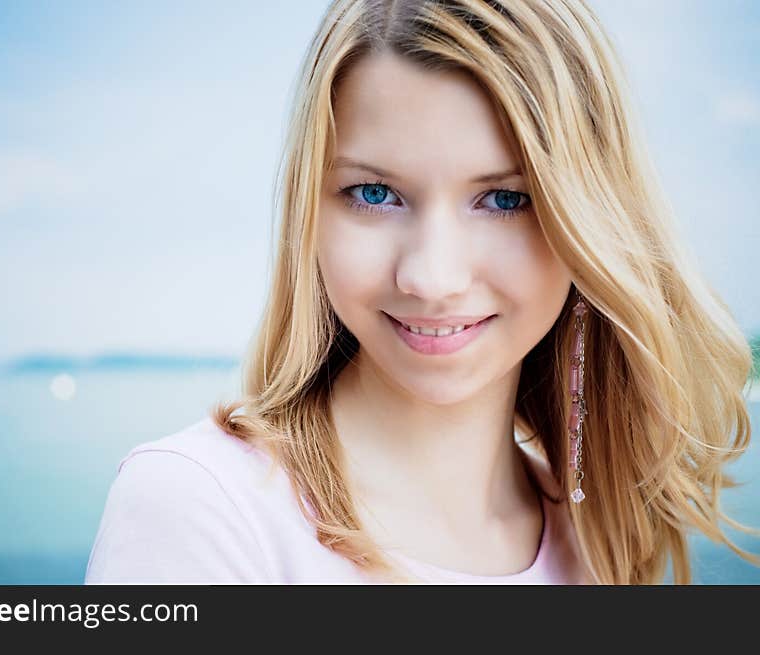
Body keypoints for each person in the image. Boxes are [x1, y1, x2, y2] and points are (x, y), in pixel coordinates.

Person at [85, 0, 759, 585]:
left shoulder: (594, 540)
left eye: (505, 199)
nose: (432, 278)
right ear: (309, 214)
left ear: (589, 220)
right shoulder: (199, 510)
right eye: (374, 193)